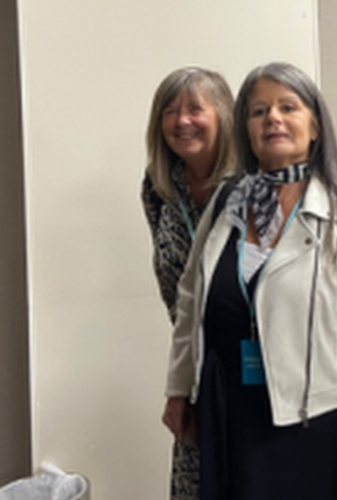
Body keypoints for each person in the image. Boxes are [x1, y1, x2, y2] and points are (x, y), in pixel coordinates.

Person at [163, 62, 337, 500]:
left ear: (314, 126)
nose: (272, 118)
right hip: (229, 413)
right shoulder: (226, 201)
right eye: (258, 111)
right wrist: (180, 388)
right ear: (246, 131)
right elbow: (190, 298)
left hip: (312, 424)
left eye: (287, 106)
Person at [142, 66, 236, 500]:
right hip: (193, 368)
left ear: (223, 116)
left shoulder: (250, 186)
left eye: (195, 109)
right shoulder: (159, 187)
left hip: (251, 369)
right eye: (170, 111)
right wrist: (181, 385)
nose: (181, 121)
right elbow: (176, 292)